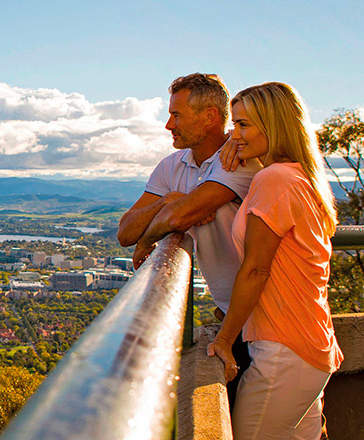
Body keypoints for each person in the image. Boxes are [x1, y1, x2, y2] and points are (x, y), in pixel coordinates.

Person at [207, 82, 343, 439]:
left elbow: (256, 268)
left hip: (282, 351)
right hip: (309, 346)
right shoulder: (301, 176)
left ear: (275, 124)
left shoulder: (274, 179)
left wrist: (224, 338)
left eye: (244, 125)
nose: (233, 135)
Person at [118, 73, 261, 406]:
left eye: (177, 115)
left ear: (210, 117)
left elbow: (180, 218)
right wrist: (167, 201)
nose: (169, 124)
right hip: (234, 315)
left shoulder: (236, 157)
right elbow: (125, 231)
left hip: (264, 315)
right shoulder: (173, 165)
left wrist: (152, 234)